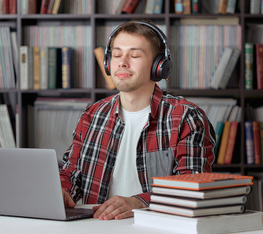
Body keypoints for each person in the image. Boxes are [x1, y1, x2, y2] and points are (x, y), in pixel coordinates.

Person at [60, 20, 216, 220]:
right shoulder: (92, 115)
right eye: (116, 55)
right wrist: (63, 192)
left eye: (134, 55)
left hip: (159, 230)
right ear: (108, 63)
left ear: (159, 66)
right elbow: (71, 173)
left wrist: (139, 202)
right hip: (96, 228)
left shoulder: (186, 117)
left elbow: (191, 187)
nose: (122, 62)